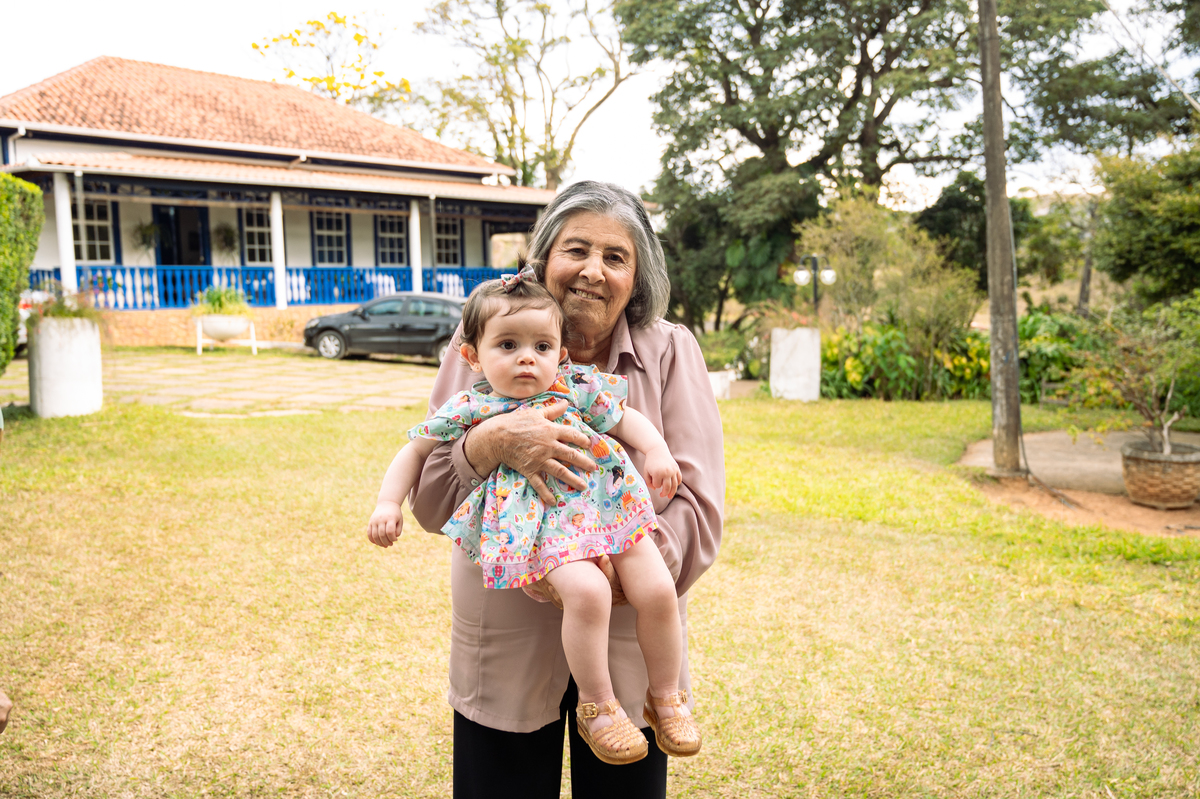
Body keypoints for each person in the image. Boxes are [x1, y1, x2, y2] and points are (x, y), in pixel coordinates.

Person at [409, 181, 725, 798]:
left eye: (616, 257)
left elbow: (699, 507)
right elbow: (427, 497)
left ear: (638, 277)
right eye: (575, 250)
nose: (592, 271)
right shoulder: (479, 343)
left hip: (634, 631)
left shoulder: (670, 350)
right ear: (543, 258)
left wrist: (614, 572)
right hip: (505, 627)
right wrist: (489, 443)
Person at [367, 269, 702, 764]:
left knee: (657, 588)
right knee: (587, 593)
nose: (528, 357)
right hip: (545, 529)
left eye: (542, 347)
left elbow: (625, 418)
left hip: (611, 507)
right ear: (472, 355)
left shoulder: (575, 387)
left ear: (560, 354)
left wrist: (655, 451)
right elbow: (414, 451)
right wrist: (386, 502)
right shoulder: (473, 406)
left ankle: (665, 696)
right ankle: (600, 706)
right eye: (508, 344)